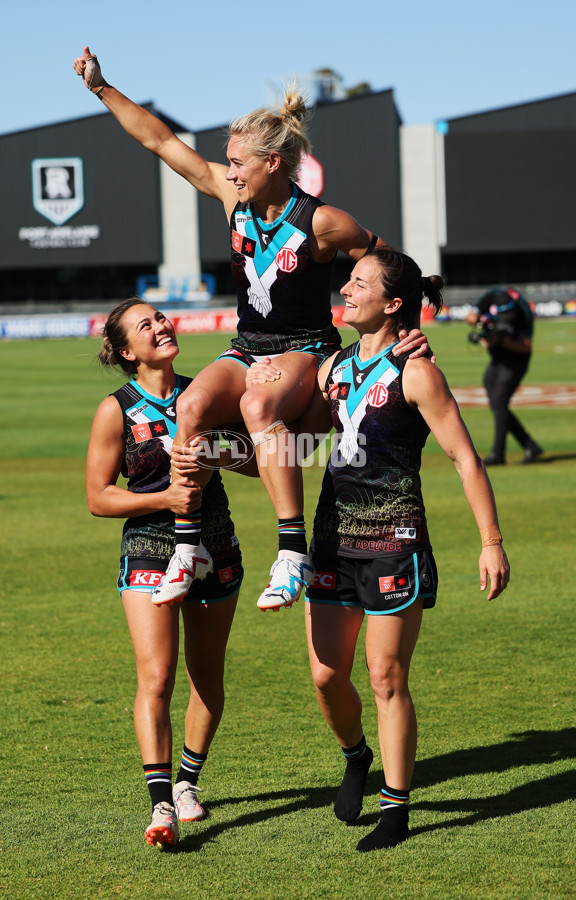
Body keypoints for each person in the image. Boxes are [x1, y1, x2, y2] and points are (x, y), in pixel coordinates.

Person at [74, 46, 429, 613]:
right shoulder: (231, 199)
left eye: (239, 162)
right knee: (187, 408)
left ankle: (292, 552)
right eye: (229, 162)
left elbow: (392, 269)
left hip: (306, 350)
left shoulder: (322, 222)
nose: (230, 170)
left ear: (273, 163)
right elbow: (161, 141)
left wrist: (403, 330)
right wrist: (101, 87)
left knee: (261, 409)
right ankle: (190, 548)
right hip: (247, 347)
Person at [251, 247, 510, 851]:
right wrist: (259, 392)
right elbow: (295, 447)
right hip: (331, 541)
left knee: (386, 676)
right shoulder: (333, 368)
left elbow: (464, 458)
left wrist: (491, 542)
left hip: (393, 541)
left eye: (358, 282)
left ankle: (396, 811)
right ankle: (355, 755)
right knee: (324, 676)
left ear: (392, 304)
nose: (345, 288)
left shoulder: (418, 372)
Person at [86, 298, 244, 848]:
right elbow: (98, 497)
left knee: (208, 674)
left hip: (217, 542)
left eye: (161, 317)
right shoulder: (117, 409)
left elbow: (252, 454)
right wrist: (164, 499)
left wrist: (216, 453)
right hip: (151, 548)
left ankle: (187, 783)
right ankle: (160, 804)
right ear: (128, 351)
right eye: (145, 325)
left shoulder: (207, 392)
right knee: (157, 677)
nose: (161, 326)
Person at [466, 288, 543, 466]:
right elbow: (470, 317)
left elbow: (525, 347)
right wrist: (483, 326)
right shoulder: (490, 297)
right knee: (493, 394)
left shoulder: (524, 311)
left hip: (516, 361)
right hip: (498, 357)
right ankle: (529, 445)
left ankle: (498, 454)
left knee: (499, 402)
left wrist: (502, 341)